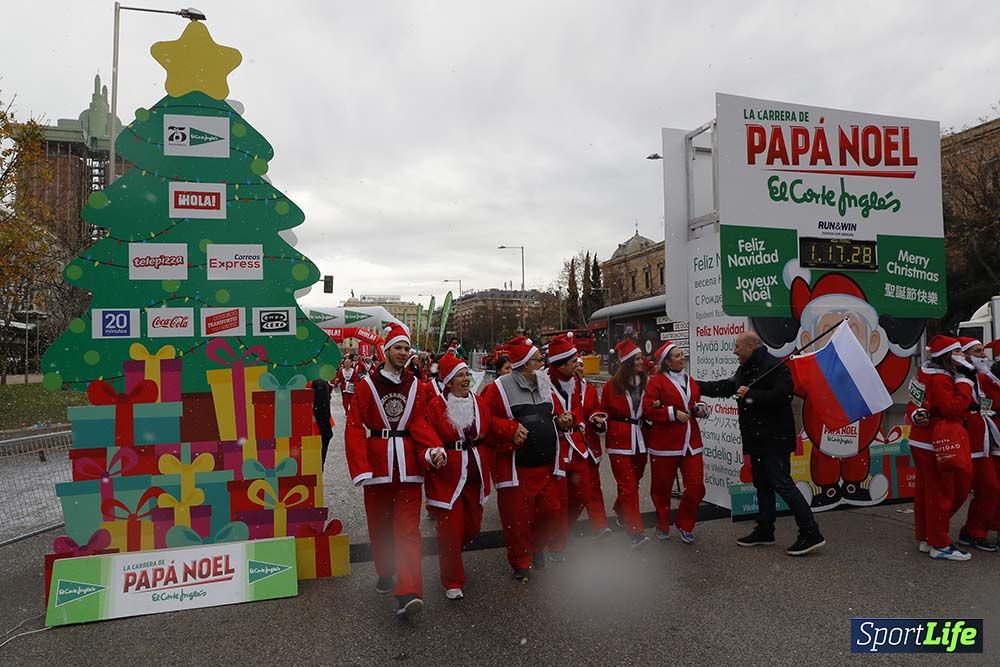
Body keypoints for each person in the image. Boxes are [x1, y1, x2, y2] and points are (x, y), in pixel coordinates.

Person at [345, 324, 442, 618]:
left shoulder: (417, 386)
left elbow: (421, 423)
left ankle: (409, 590)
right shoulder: (366, 385)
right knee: (379, 526)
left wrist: (433, 449)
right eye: (398, 348)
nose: (403, 353)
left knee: (409, 531)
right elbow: (353, 427)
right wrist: (360, 466)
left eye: (406, 348)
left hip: (409, 468)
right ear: (386, 350)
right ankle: (386, 570)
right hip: (377, 468)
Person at [698, 331, 825, 556]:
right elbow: (728, 387)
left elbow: (784, 395)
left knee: (783, 484)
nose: (734, 351)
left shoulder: (774, 366)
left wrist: (752, 394)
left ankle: (810, 532)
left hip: (774, 440)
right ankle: (765, 529)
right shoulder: (745, 369)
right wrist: (694, 386)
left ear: (751, 346)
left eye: (738, 347)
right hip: (756, 439)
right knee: (762, 485)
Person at [422, 353, 518, 600]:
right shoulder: (435, 406)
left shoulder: (479, 402)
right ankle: (452, 580)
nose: (465, 379)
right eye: (460, 376)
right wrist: (434, 452)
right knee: (451, 531)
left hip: (475, 474)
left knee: (473, 527)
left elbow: (492, 426)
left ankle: (450, 551)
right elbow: (425, 434)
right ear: (449, 381)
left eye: (467, 374)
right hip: (448, 477)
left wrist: (512, 430)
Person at [482, 336, 571, 582]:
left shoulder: (545, 385)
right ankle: (521, 561)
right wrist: (509, 429)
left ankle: (536, 546)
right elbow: (487, 421)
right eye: (538, 361)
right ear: (524, 364)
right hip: (517, 467)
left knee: (551, 511)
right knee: (517, 520)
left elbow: (557, 413)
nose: (543, 365)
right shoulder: (499, 387)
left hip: (546, 466)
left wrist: (563, 420)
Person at [907, 335, 975, 560]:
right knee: (941, 492)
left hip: (919, 440)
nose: (962, 356)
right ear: (948, 356)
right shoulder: (943, 378)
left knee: (925, 490)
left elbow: (913, 404)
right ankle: (940, 544)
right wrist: (965, 384)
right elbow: (951, 409)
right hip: (935, 443)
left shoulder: (923, 373)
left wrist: (917, 415)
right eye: (958, 352)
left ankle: (927, 538)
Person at [547, 333, 610, 559]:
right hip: (557, 450)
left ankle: (565, 528)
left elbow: (579, 411)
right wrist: (556, 421)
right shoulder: (543, 383)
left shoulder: (578, 384)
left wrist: (587, 420)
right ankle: (556, 544)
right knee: (559, 500)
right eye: (574, 362)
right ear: (562, 364)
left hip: (579, 446)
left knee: (584, 493)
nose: (578, 366)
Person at [643, 341, 707, 544]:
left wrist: (700, 408)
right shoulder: (656, 382)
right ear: (667, 362)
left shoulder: (690, 380)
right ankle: (662, 523)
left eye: (682, 354)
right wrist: (671, 413)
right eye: (678, 355)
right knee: (661, 489)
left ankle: (685, 523)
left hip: (691, 441)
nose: (682, 358)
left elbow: (695, 401)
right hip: (665, 444)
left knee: (696, 487)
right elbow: (648, 409)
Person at [601, 339, 651, 548]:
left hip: (641, 438)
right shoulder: (612, 386)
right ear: (629, 362)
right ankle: (635, 532)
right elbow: (603, 410)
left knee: (635, 481)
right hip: (620, 440)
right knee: (628, 485)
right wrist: (599, 421)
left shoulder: (649, 381)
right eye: (638, 359)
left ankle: (621, 510)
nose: (642, 361)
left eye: (642, 358)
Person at [955, 337, 1000, 551]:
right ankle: (969, 533)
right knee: (986, 488)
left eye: (983, 350)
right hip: (970, 443)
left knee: (992, 489)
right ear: (964, 354)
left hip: (988, 441)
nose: (983, 355)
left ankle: (979, 531)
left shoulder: (984, 375)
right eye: (978, 350)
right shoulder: (962, 377)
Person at [576, 355, 611, 537]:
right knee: (570, 492)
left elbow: (597, 409)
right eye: (575, 365)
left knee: (593, 486)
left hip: (589, 447)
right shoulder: (554, 390)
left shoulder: (589, 390)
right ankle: (559, 531)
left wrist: (597, 419)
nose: (579, 368)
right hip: (568, 449)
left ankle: (600, 525)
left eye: (581, 366)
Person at [311, 376, 334, 466]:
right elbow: (323, 407)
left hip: (300, 425)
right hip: (315, 426)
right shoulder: (318, 381)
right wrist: (327, 431)